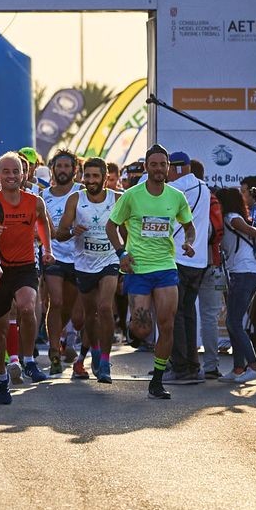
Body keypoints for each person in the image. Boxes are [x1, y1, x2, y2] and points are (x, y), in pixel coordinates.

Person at [106, 144, 196, 399]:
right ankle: (132, 324)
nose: (158, 169)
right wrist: (121, 253)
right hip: (138, 269)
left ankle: (156, 381)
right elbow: (111, 226)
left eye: (163, 165)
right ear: (146, 167)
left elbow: (189, 226)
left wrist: (189, 242)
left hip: (166, 267)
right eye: (154, 165)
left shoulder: (176, 196)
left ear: (168, 168)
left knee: (167, 325)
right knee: (143, 329)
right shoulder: (131, 196)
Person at [0, 152, 52, 405]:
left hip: (25, 266)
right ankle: (2, 377)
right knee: (0, 330)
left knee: (26, 306)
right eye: (6, 172)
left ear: (24, 175)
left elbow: (43, 223)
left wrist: (48, 250)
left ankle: (29, 360)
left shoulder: (34, 202)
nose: (11, 176)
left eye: (16, 172)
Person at [56, 157, 118, 382]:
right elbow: (60, 233)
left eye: (95, 176)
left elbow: (131, 227)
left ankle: (105, 360)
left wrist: (125, 252)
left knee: (104, 308)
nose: (91, 181)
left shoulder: (117, 199)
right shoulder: (75, 199)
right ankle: (94, 349)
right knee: (89, 316)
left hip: (109, 261)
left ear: (104, 178)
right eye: (87, 176)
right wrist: (73, 230)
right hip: (83, 264)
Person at [167, 151, 211, 382]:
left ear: (175, 168)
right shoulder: (204, 187)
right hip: (199, 260)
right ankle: (193, 366)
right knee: (188, 313)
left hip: (178, 257)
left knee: (175, 314)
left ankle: (182, 367)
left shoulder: (175, 189)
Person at [216, 186, 256, 384]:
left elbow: (246, 228)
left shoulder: (231, 217)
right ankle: (238, 368)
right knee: (233, 322)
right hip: (244, 272)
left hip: (244, 272)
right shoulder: (231, 217)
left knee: (234, 322)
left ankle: (253, 366)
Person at [40, 150, 82, 377]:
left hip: (79, 257)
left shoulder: (82, 194)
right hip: (53, 254)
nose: (63, 170)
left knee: (73, 313)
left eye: (67, 166)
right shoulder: (43, 195)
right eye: (59, 166)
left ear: (75, 169)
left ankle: (62, 336)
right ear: (53, 169)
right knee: (55, 302)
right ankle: (54, 351)